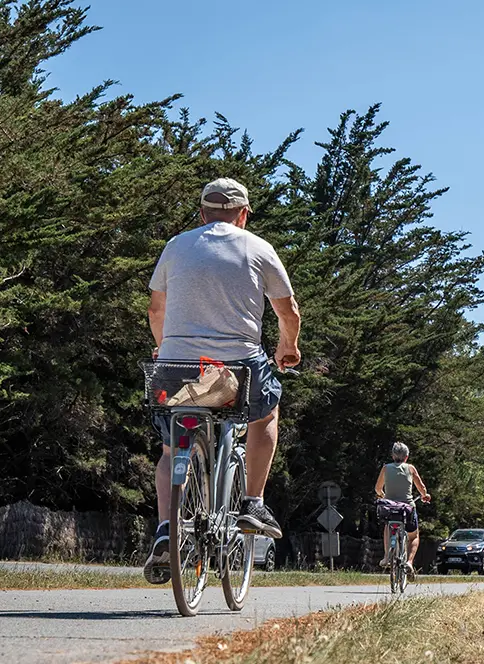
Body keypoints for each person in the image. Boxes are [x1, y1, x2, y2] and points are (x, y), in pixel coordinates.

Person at [144, 177, 302, 583]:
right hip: (237, 369)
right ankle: (253, 502)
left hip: (177, 367)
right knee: (265, 415)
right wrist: (288, 349)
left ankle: (165, 529)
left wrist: (166, 349)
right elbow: (289, 314)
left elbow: (156, 310)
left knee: (168, 448)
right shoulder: (258, 248)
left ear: (202, 213)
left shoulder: (176, 246)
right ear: (244, 215)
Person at [373, 443, 430, 574]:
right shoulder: (410, 468)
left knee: (388, 526)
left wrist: (382, 495)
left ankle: (387, 556)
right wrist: (424, 495)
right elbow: (421, 487)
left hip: (390, 508)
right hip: (407, 508)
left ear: (393, 455)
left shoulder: (386, 468)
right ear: (406, 457)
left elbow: (377, 488)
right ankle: (409, 562)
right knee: (414, 536)